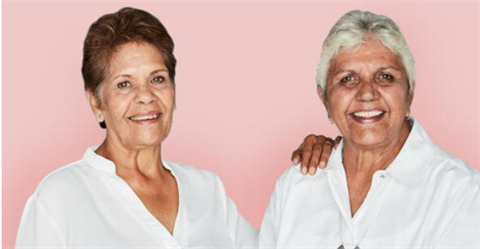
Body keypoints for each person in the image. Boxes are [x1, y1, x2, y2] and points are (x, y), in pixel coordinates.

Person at [15, 7, 335, 248]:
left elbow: (283, 242)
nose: (146, 97)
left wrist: (325, 164)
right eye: (124, 84)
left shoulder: (207, 190)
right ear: (96, 102)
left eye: (157, 79)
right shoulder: (60, 199)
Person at [259, 10, 479, 249]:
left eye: (384, 76)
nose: (366, 94)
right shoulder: (295, 186)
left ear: (409, 93)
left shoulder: (460, 192)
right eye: (347, 79)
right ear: (325, 99)